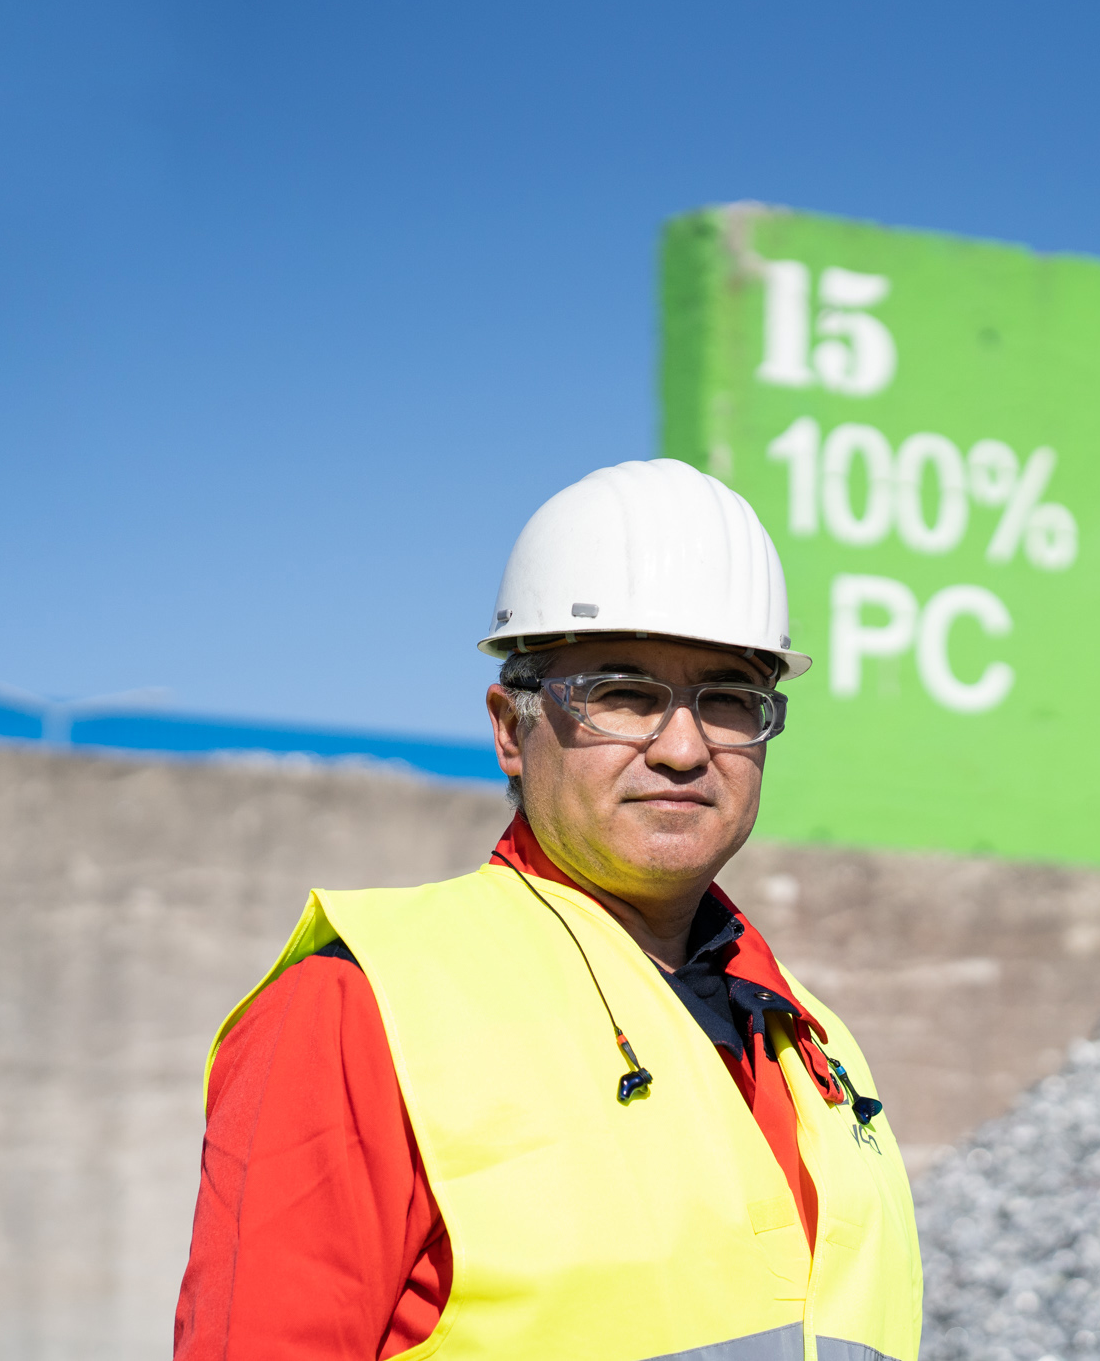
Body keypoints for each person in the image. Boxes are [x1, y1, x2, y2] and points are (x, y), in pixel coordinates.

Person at [173, 458, 922, 1360]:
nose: (684, 748)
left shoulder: (815, 1045)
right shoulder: (361, 1008)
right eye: (623, 695)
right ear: (509, 728)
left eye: (728, 699)